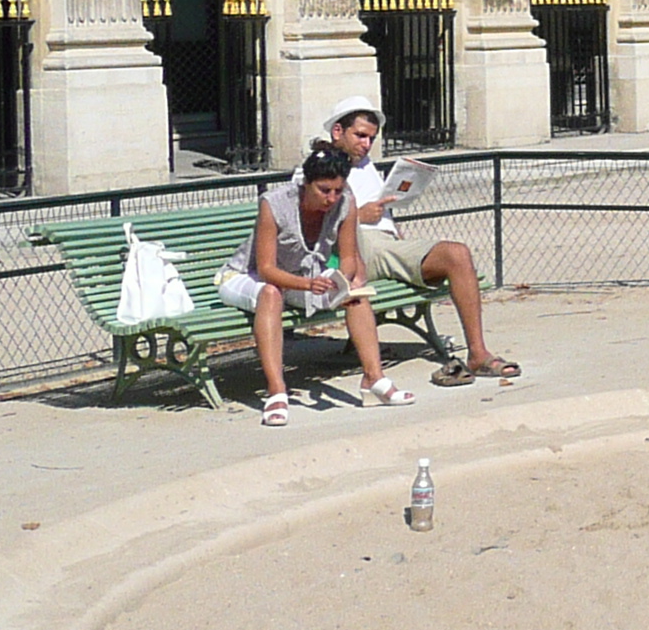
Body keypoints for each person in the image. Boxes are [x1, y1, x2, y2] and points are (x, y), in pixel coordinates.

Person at [316, 96, 518, 388]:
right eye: (360, 135)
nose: (366, 144)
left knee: (457, 254)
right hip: (354, 247)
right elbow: (310, 224)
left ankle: (478, 352)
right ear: (337, 132)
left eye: (371, 138)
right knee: (450, 254)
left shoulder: (365, 165)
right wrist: (358, 216)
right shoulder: (316, 169)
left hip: (384, 246)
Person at [218, 144, 413, 425]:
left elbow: (348, 257)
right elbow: (266, 269)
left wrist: (338, 282)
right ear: (306, 183)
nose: (331, 198)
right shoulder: (274, 203)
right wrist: (309, 284)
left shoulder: (345, 202)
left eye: (337, 190)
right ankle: (276, 392)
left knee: (356, 296)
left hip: (305, 278)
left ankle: (374, 378)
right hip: (247, 277)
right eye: (324, 190)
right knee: (271, 294)